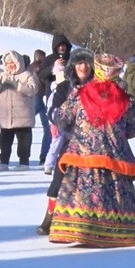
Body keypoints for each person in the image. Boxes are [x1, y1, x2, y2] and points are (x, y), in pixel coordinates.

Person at [47, 53, 135, 248]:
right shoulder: (126, 99)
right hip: (115, 155)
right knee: (117, 193)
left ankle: (80, 229)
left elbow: (64, 118)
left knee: (81, 192)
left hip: (83, 153)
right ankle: (117, 232)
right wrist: (116, 135)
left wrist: (80, 132)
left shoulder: (79, 94)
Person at [36, 48, 95, 234]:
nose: (83, 67)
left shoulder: (99, 87)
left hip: (96, 143)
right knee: (59, 178)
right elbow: (52, 110)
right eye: (79, 63)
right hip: (71, 141)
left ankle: (95, 219)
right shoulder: (63, 88)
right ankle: (50, 217)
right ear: (73, 66)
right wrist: (64, 116)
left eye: (86, 63)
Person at [0, 50, 38, 171]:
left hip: (23, 115)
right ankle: (4, 162)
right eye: (7, 63)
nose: (10, 65)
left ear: (18, 62)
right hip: (6, 116)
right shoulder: (3, 75)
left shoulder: (27, 75)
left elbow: (33, 89)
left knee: (23, 140)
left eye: (12, 62)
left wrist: (17, 85)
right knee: (4, 141)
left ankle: (24, 162)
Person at [28, 49, 53, 166]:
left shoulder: (30, 67)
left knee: (28, 125)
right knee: (47, 127)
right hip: (39, 98)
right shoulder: (39, 67)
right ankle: (44, 155)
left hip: (34, 98)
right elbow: (44, 81)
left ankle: (42, 155)